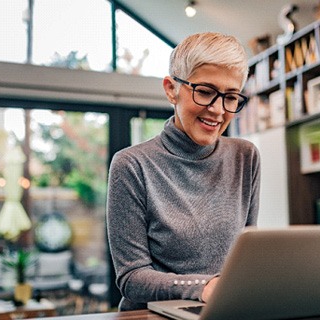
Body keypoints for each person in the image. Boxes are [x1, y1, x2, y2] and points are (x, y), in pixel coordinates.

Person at [106, 32, 261, 311]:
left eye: (231, 97)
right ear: (171, 89)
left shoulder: (245, 157)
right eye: (204, 92)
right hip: (152, 315)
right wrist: (203, 287)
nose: (217, 110)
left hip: (223, 311)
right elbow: (131, 278)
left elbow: (247, 256)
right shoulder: (131, 165)